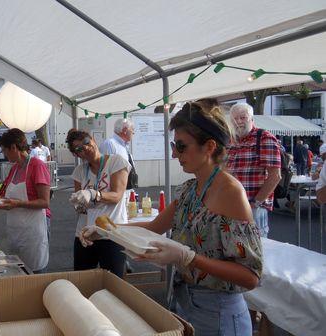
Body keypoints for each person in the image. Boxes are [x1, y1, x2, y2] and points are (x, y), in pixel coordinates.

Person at [81, 101, 262, 335]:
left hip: (218, 312)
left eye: (181, 146)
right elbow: (155, 226)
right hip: (184, 300)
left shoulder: (231, 192)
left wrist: (189, 257)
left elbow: (250, 277)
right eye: (173, 145)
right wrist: (108, 231)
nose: (174, 153)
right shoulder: (190, 189)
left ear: (209, 146)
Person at [68, 129, 130, 277]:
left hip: (111, 233)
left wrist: (93, 194)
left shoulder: (116, 162)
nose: (86, 149)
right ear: (77, 155)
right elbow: (81, 207)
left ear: (93, 140)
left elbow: (117, 196)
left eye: (86, 142)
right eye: (79, 149)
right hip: (85, 235)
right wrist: (78, 203)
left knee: (113, 282)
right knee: (83, 281)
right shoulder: (80, 171)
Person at [0, 128, 51, 273]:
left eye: (4, 150)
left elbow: (45, 202)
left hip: (33, 231)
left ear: (13, 147)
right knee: (18, 272)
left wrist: (18, 204)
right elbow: (6, 195)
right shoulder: (14, 169)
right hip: (16, 230)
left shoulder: (37, 166)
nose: (4, 154)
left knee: (34, 273)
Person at [227, 103, 281, 238]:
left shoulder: (264, 137)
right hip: (232, 205)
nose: (238, 122)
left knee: (256, 248)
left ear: (252, 119)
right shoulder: (231, 141)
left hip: (254, 207)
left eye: (243, 117)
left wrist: (255, 203)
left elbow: (275, 176)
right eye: (235, 119)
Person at [100, 119, 137, 190]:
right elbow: (105, 169)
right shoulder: (110, 144)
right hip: (115, 190)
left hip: (126, 189)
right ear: (125, 130)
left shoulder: (124, 146)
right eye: (132, 129)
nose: (133, 133)